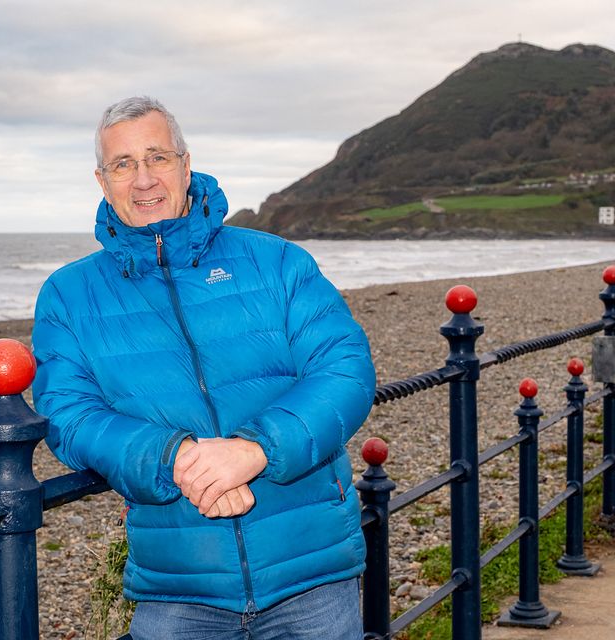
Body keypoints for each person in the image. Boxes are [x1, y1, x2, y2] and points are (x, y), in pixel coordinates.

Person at [31, 96, 376, 639]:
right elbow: (67, 415)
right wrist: (178, 458)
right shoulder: (70, 295)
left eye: (157, 157)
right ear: (102, 180)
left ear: (186, 165)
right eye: (123, 164)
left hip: (310, 571)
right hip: (179, 582)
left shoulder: (275, 260)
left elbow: (345, 369)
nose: (143, 178)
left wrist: (254, 449)